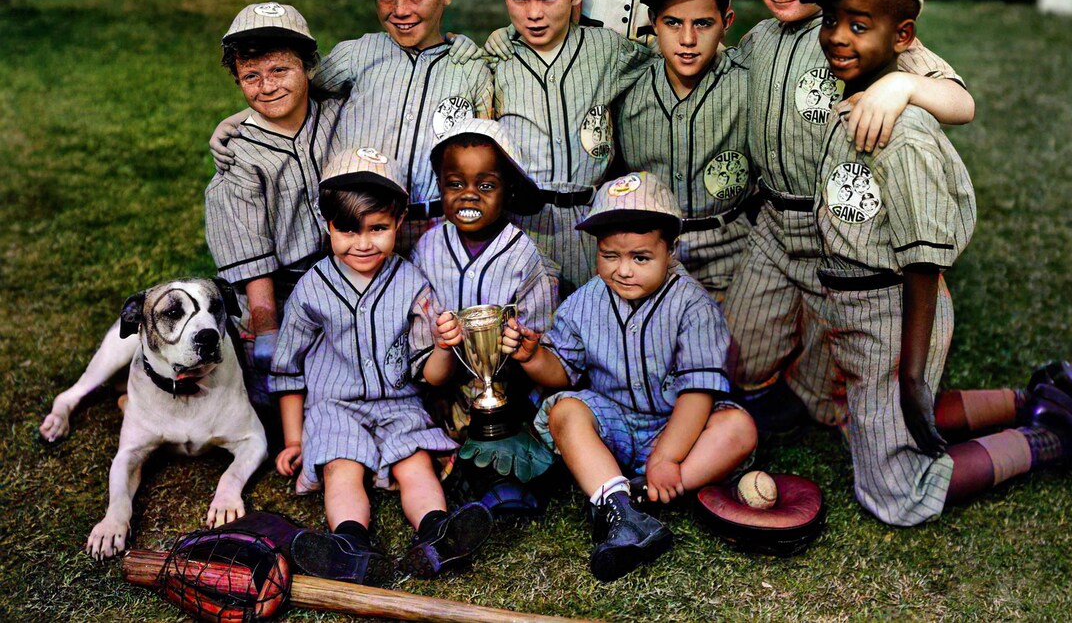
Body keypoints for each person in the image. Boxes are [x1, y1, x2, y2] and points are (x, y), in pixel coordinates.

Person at [804, 0, 1072, 525]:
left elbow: (923, 266)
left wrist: (910, 374)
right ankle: (1029, 399)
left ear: (903, 37)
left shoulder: (903, 137)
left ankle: (1051, 437)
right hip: (853, 302)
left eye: (859, 25)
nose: (837, 38)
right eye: (830, 21)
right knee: (869, 419)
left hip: (896, 307)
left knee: (895, 495)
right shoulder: (856, 94)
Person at [721, 0, 976, 434]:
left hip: (837, 234)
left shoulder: (856, 33)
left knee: (837, 377)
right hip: (772, 224)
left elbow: (961, 102)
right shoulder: (758, 38)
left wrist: (903, 84)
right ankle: (783, 391)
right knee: (738, 354)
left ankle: (839, 399)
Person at [501, 172, 757, 580]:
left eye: (640, 257)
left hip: (678, 428)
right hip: (614, 424)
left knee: (738, 428)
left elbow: (697, 394)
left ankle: (633, 496)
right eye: (609, 255)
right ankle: (624, 508)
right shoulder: (585, 301)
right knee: (565, 411)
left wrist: (668, 457)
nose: (623, 270)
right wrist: (533, 357)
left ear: (671, 249)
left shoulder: (693, 305)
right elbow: (562, 373)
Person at [270, 147, 492, 583]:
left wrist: (446, 346)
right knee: (341, 468)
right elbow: (288, 366)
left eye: (378, 228)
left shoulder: (411, 283)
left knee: (416, 465)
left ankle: (438, 534)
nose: (363, 242)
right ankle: (351, 547)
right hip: (335, 406)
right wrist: (295, 439)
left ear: (399, 220)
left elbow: (431, 374)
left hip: (399, 403)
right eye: (348, 230)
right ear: (328, 225)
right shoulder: (313, 289)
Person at [210, 0, 494, 255]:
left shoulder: (471, 68)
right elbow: (295, 90)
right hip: (360, 230)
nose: (400, 10)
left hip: (437, 228)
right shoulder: (357, 55)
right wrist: (239, 119)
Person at [487, 0, 653, 294]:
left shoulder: (607, 50)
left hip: (591, 220)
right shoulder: (494, 59)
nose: (534, 14)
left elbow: (668, 57)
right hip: (519, 224)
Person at [205, 2, 343, 444]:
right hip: (279, 290)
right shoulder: (238, 155)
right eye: (251, 76)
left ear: (308, 67)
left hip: (349, 267)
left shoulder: (339, 113)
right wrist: (267, 329)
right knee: (276, 400)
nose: (266, 87)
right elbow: (252, 259)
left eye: (280, 70)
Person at [410, 117, 559, 516]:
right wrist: (438, 388)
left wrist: (522, 349)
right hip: (445, 390)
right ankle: (461, 485)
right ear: (440, 186)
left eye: (486, 185)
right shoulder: (427, 249)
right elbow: (423, 347)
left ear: (507, 190)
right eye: (455, 184)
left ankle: (505, 487)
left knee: (514, 445)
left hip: (510, 395)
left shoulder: (526, 257)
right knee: (420, 441)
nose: (469, 196)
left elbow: (540, 343)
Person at [615, 0, 754, 301]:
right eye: (673, 23)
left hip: (732, 250)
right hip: (651, 252)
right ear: (653, 22)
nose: (688, 39)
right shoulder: (626, 81)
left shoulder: (748, 81)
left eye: (703, 24)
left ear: (727, 21)